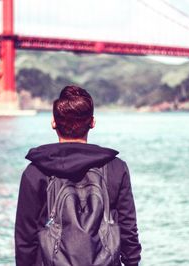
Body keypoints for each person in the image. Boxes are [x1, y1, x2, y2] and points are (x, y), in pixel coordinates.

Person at [15, 85, 141, 265]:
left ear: (54, 123)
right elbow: (129, 232)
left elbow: (25, 241)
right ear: (92, 123)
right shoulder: (116, 168)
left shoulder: (35, 172)